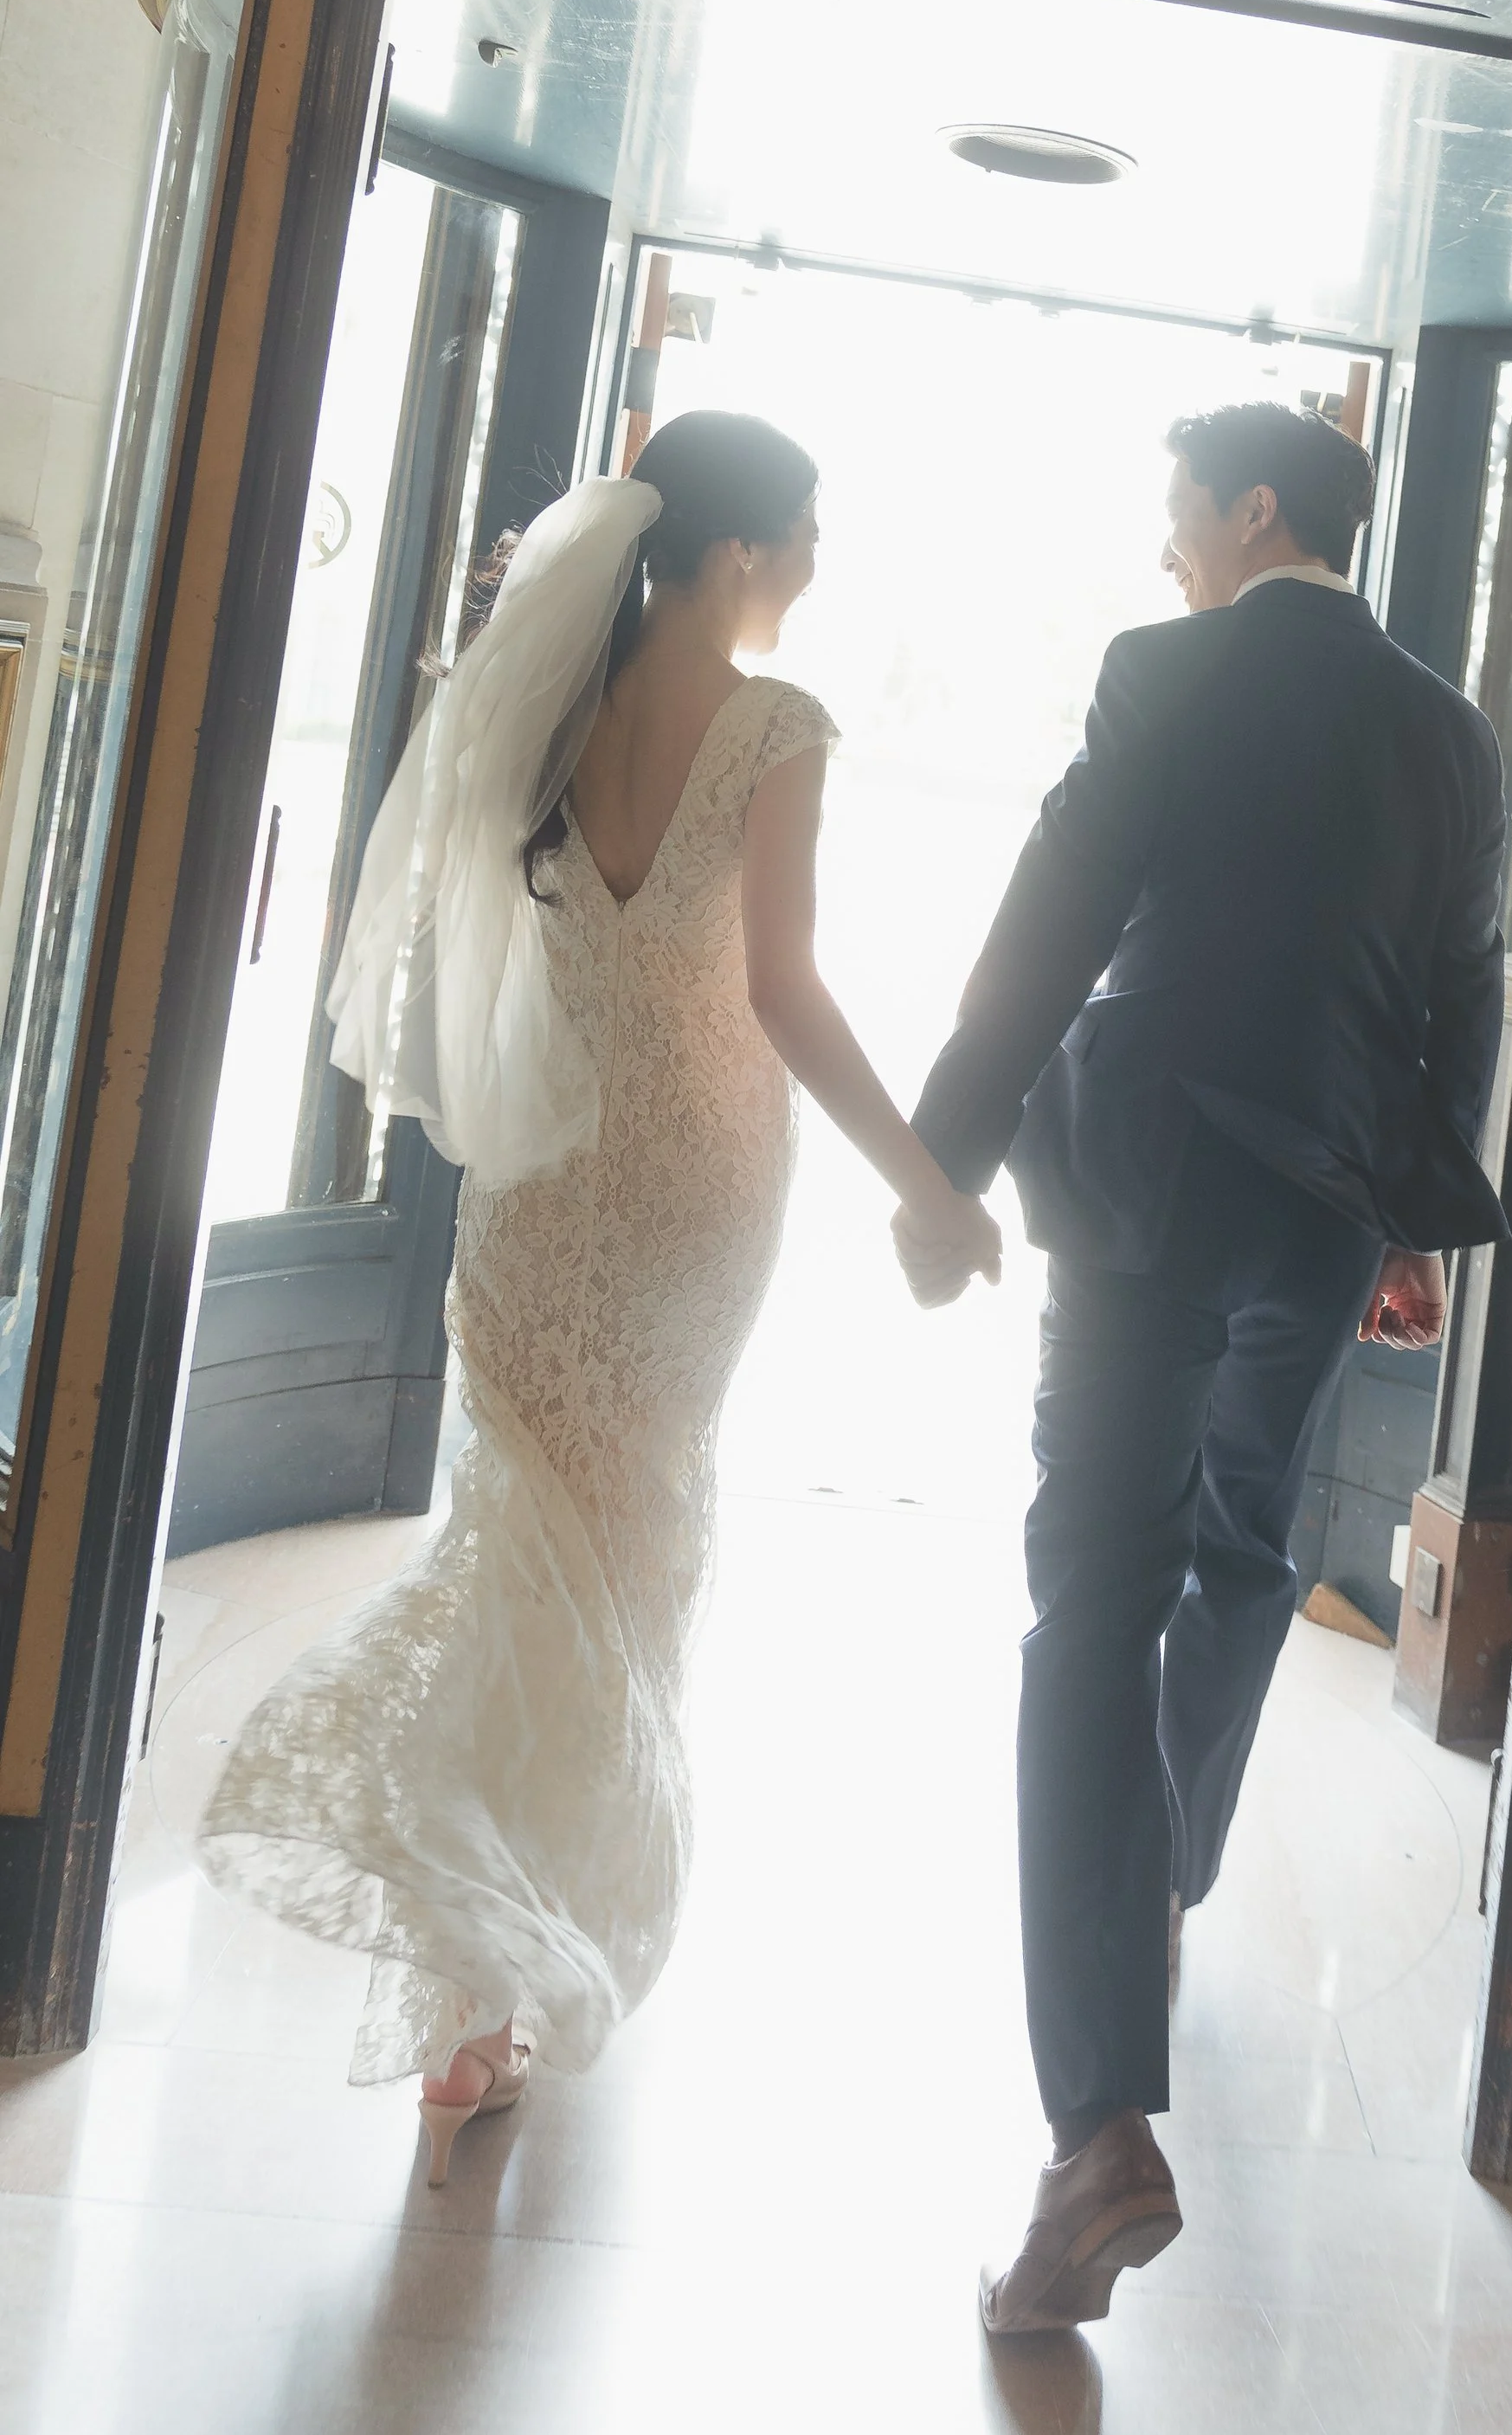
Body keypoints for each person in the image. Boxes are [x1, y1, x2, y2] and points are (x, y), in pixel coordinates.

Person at [197, 411, 999, 2184]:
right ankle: (516, 1948)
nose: (810, 565)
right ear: (728, 554)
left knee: (521, 1540)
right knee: (627, 1559)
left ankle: (474, 1996)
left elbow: (461, 919)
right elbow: (780, 990)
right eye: (801, 534)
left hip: (540, 1180)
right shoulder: (775, 727)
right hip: (695, 1186)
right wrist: (925, 1180)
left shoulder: (543, 702)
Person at [902, 401, 1509, 2334]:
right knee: (1248, 1539)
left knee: (1090, 1591)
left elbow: (1052, 908)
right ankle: (1156, 1877)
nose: (1164, 547)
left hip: (1145, 1175)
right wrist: (1411, 1220)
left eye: (1177, 512)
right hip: (1325, 1199)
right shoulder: (1449, 724)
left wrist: (939, 1160)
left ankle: (1096, 2122)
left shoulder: (1162, 668)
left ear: (1255, 511)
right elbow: (1462, 983)